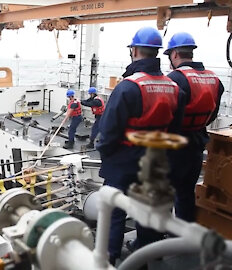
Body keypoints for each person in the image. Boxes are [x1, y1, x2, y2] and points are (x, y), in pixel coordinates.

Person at [96, 27, 185, 265]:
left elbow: (108, 131)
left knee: (115, 209)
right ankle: (148, 255)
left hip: (124, 159)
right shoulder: (175, 87)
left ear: (134, 51)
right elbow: (175, 129)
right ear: (157, 53)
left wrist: (108, 156)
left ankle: (110, 258)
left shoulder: (128, 86)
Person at [164, 32, 224, 222]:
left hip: (174, 148)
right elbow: (213, 114)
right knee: (186, 194)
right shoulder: (214, 79)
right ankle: (183, 240)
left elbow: (166, 116)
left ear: (174, 55)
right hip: (197, 144)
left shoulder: (175, 79)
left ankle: (155, 242)